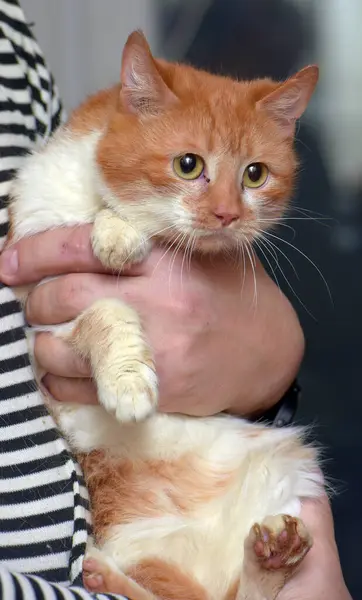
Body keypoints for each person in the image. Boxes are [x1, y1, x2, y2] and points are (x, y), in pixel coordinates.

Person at [0, 1, 351, 598]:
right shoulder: (77, 171)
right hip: (130, 500)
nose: (225, 208)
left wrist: (271, 356)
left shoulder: (12, 35)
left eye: (253, 177)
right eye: (191, 166)